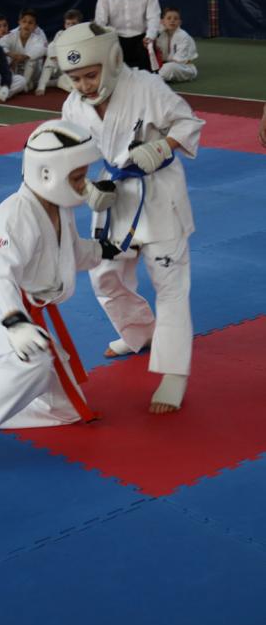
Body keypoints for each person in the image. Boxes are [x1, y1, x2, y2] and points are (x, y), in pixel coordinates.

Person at [0, 119, 122, 485]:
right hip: (0, 309)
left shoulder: (59, 207)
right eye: (78, 177)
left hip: (32, 315)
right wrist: (15, 323)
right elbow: (3, 276)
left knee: (65, 410)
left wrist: (105, 250)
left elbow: (70, 253)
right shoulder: (12, 216)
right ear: (47, 173)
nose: (84, 185)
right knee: (34, 361)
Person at [56, 22, 205, 414]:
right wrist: (86, 189)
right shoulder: (73, 105)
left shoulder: (146, 86)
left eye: (91, 75)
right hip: (113, 197)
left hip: (159, 196)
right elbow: (70, 157)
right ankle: (140, 331)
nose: (85, 85)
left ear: (112, 60)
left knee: (169, 284)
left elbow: (188, 122)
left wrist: (161, 147)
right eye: (75, 78)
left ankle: (174, 372)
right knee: (103, 276)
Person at [95, 0, 160, 71]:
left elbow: (153, 17)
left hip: (142, 39)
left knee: (146, 70)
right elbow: (100, 21)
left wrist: (150, 36)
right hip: (115, 39)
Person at [35, 8, 83, 96]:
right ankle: (41, 85)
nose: (70, 26)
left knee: (74, 88)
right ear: (65, 25)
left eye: (73, 23)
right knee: (50, 57)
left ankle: (56, 82)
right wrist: (58, 58)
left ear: (79, 24)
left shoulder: (83, 36)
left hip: (75, 69)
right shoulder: (60, 34)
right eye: (68, 24)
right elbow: (52, 47)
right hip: (60, 65)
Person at [0, 8, 47, 91]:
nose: (26, 25)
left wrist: (24, 57)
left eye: (30, 23)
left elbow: (42, 49)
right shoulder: (12, 35)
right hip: (15, 70)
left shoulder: (38, 39)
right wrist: (11, 55)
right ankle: (17, 82)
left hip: (33, 74)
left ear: (35, 26)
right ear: (19, 22)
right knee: (5, 57)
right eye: (24, 21)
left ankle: (25, 84)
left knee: (32, 59)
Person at [156, 7, 198, 83]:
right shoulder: (160, 34)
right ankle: (157, 76)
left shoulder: (183, 36)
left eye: (175, 19)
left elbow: (178, 60)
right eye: (169, 18)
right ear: (162, 21)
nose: (172, 21)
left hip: (183, 67)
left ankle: (155, 78)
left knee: (170, 67)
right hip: (163, 65)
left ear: (180, 22)